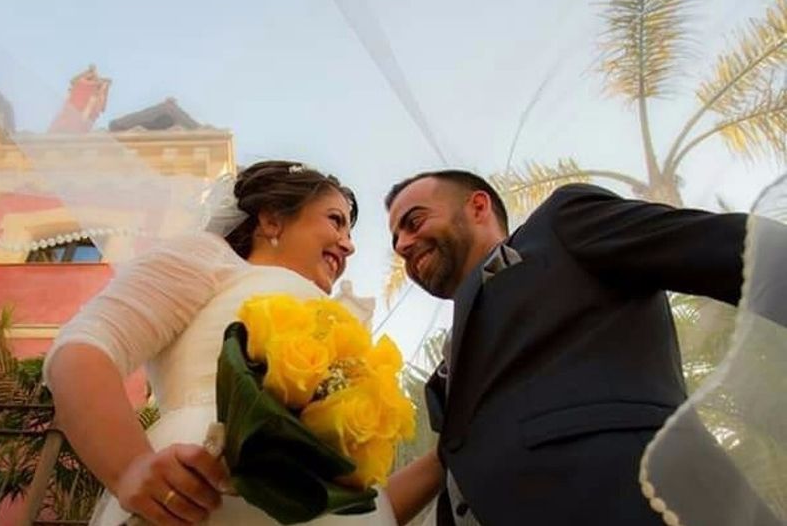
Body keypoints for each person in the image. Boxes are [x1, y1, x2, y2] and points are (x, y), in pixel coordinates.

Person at [44, 160, 441, 526]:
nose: (348, 244)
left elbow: (366, 498)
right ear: (271, 220)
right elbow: (83, 350)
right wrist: (129, 466)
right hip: (200, 500)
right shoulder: (208, 258)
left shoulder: (344, 320)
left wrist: (448, 457)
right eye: (335, 221)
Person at [384, 170, 783, 526]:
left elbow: (729, 248)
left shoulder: (559, 227)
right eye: (396, 238)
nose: (403, 243)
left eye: (413, 222)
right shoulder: (445, 373)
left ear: (478, 205)